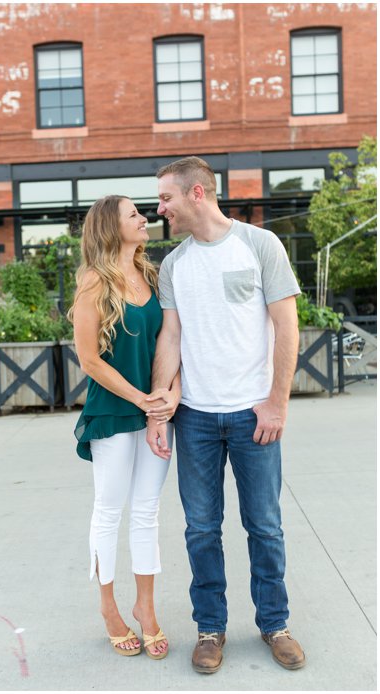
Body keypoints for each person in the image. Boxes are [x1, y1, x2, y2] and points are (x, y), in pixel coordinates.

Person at [147, 156, 304, 673]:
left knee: (264, 526)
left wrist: (277, 402)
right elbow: (171, 336)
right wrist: (158, 408)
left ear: (196, 194)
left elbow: (287, 329)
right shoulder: (174, 264)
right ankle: (210, 629)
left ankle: (274, 625)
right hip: (194, 417)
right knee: (200, 528)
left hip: (253, 415)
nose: (160, 208)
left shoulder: (260, 246)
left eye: (166, 197)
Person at [68, 195, 180, 659]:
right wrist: (141, 401)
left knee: (148, 512)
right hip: (115, 413)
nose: (145, 218)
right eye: (134, 214)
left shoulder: (153, 276)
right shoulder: (95, 282)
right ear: (111, 228)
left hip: (156, 411)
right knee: (109, 510)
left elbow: (171, 341)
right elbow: (89, 359)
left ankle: (146, 609)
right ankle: (109, 608)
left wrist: (166, 397)